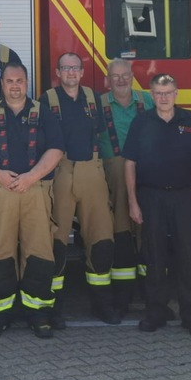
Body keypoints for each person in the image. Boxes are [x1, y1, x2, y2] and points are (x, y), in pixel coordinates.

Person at [0, 63, 64, 339]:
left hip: (35, 190)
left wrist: (31, 177)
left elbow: (56, 149)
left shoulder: (43, 114)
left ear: (27, 83)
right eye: (9, 81)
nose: (14, 85)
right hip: (0, 191)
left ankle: (39, 313)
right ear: (2, 85)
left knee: (39, 252)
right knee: (1, 253)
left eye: (19, 80)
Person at [123, 73, 191, 338]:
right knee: (154, 256)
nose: (163, 98)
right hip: (150, 197)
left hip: (185, 197)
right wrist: (133, 202)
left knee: (188, 256)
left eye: (168, 92)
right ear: (152, 95)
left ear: (176, 94)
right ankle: (156, 312)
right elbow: (130, 163)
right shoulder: (142, 122)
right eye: (158, 93)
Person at [43, 53, 115, 328]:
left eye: (75, 68)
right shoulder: (47, 99)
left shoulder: (93, 98)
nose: (71, 72)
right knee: (57, 241)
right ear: (58, 73)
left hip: (91, 170)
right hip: (61, 171)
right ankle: (55, 308)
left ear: (82, 72)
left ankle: (102, 304)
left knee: (101, 239)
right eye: (66, 68)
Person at [98, 58, 153, 321]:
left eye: (125, 75)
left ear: (132, 76)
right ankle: (122, 299)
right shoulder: (98, 104)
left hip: (147, 173)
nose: (120, 80)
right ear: (107, 80)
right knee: (121, 236)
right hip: (114, 177)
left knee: (148, 236)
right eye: (115, 76)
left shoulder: (148, 101)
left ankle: (151, 297)